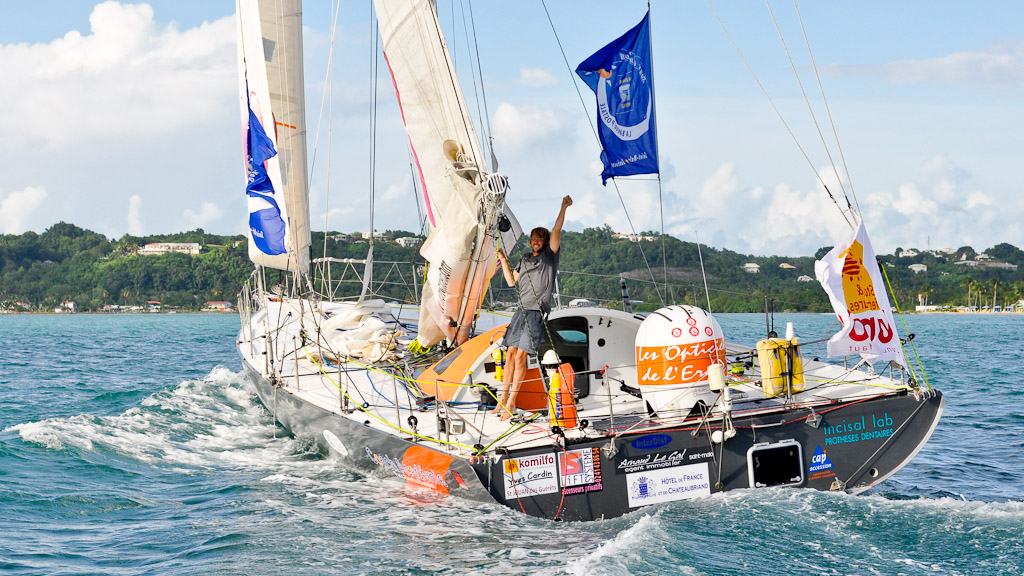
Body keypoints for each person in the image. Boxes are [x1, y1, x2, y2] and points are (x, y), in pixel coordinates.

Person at [492, 195, 572, 421]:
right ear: (530, 241)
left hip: (536, 313)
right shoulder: (525, 258)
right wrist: (503, 260)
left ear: (545, 242)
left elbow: (556, 231)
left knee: (520, 358)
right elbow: (511, 281)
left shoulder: (550, 258)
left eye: (540, 239)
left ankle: (512, 402)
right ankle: (503, 397)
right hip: (520, 311)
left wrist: (563, 207)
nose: (536, 241)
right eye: (534, 238)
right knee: (509, 356)